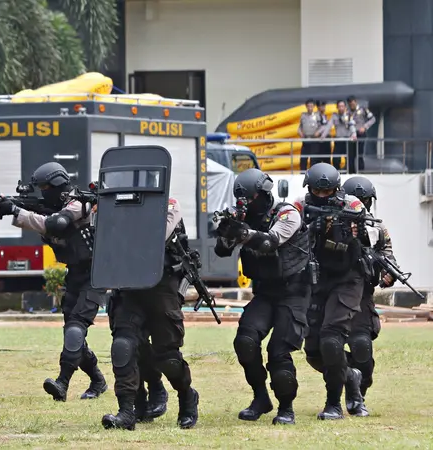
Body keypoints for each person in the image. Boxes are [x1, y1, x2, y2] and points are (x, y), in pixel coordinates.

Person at [0, 162, 107, 402]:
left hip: (95, 274)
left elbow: (56, 224)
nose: (43, 192)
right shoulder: (54, 207)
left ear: (57, 185)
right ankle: (97, 380)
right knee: (72, 333)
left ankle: (62, 382)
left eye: (45, 187)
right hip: (75, 274)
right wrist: (13, 206)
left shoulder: (79, 203)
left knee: (76, 328)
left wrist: (16, 211)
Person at [214, 168, 311, 425]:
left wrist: (244, 233)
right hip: (266, 292)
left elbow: (271, 241)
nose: (245, 204)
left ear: (263, 194)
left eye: (250, 198)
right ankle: (260, 398)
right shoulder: (245, 217)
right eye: (241, 200)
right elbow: (222, 252)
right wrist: (227, 230)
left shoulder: (287, 213)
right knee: (245, 341)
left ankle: (286, 408)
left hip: (294, 292)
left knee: (278, 352)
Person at [101, 198, 199, 431]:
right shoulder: (114, 203)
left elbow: (158, 235)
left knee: (168, 357)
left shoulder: (169, 204)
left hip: (161, 286)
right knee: (123, 346)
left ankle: (187, 397)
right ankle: (127, 411)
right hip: (129, 286)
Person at [294, 162, 369, 420]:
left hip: (348, 280)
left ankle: (333, 404)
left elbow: (368, 228)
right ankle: (350, 376)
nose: (323, 196)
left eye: (328, 192)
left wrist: (353, 227)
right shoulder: (301, 208)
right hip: (317, 280)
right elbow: (287, 230)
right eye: (318, 191)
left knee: (331, 339)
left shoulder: (351, 205)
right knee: (314, 353)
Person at [342, 176, 395, 417]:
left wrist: (388, 275)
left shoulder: (378, 228)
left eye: (365, 201)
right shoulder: (332, 223)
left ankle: (358, 394)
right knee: (321, 351)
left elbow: (389, 258)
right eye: (358, 201)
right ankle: (344, 377)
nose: (362, 206)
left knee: (362, 348)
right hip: (330, 292)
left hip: (362, 294)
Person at [347, 96, 376, 173]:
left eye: (353, 103)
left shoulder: (363, 110)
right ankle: (351, 172)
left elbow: (373, 119)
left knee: (359, 153)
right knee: (351, 154)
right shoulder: (348, 112)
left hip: (361, 133)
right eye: (350, 104)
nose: (351, 105)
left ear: (356, 102)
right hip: (352, 134)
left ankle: (361, 170)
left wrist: (365, 127)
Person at [326, 100, 356, 171]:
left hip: (347, 140)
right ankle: (336, 173)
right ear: (337, 107)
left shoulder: (349, 116)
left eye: (342, 106)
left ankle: (351, 173)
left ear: (345, 107)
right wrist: (323, 136)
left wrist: (354, 134)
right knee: (336, 159)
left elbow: (352, 126)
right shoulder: (334, 116)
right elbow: (328, 126)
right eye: (339, 106)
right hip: (338, 140)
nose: (341, 108)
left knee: (350, 159)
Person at [298, 98, 326, 169]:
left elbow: (322, 126)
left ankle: (312, 176)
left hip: (314, 140)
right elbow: (299, 127)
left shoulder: (317, 115)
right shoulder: (303, 115)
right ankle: (302, 175)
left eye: (311, 106)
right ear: (306, 106)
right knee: (303, 160)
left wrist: (318, 132)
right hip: (305, 140)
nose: (310, 108)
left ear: (314, 107)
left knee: (313, 161)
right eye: (308, 106)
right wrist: (300, 133)